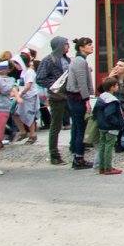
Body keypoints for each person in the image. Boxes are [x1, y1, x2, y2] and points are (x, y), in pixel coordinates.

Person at [36, 35, 71, 165]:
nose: (68, 46)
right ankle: (54, 154)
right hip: (57, 96)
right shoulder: (48, 60)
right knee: (56, 125)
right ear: (59, 45)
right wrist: (55, 84)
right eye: (66, 44)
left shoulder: (67, 59)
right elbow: (40, 78)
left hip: (70, 94)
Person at [65, 37, 96, 170]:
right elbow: (82, 82)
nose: (92, 47)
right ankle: (78, 158)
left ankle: (78, 155)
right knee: (80, 129)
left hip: (75, 98)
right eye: (89, 45)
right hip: (77, 99)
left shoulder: (80, 61)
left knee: (78, 127)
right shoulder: (79, 61)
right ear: (81, 47)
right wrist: (86, 99)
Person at [93, 76, 124, 176]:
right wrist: (118, 123)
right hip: (111, 127)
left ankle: (102, 167)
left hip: (102, 126)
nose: (118, 87)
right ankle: (108, 167)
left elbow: (95, 112)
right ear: (112, 87)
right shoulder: (112, 100)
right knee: (109, 147)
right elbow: (109, 114)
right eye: (116, 85)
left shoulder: (101, 97)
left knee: (102, 145)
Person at [13, 52, 41, 144]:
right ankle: (23, 132)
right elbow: (20, 84)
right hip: (23, 96)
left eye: (16, 64)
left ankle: (32, 135)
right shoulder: (23, 72)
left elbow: (28, 86)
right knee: (15, 113)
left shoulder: (30, 72)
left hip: (30, 97)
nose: (16, 66)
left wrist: (20, 94)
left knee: (29, 115)